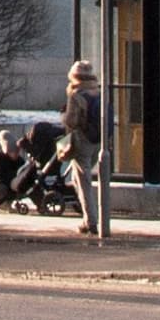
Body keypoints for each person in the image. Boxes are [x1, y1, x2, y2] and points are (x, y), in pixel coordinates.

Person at [62, 60, 106, 236]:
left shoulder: (77, 94)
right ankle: (90, 218)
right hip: (98, 141)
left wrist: (63, 116)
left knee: (83, 182)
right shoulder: (98, 92)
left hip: (82, 141)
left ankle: (91, 221)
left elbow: (71, 122)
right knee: (80, 178)